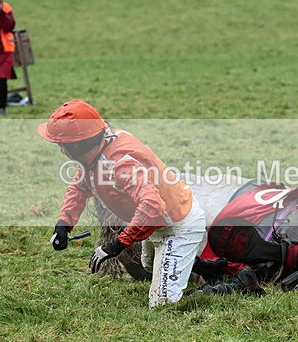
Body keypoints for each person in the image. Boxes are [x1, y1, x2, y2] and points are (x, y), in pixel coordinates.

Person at [38, 100, 207, 308]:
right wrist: (64, 223)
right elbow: (80, 185)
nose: (62, 151)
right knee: (147, 266)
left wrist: (116, 245)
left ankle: (211, 282)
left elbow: (152, 206)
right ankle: (196, 267)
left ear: (77, 146)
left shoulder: (120, 163)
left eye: (62, 145)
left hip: (178, 225)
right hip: (156, 224)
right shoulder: (98, 149)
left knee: (162, 304)